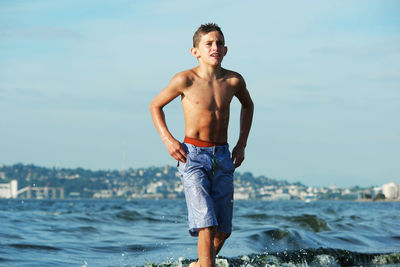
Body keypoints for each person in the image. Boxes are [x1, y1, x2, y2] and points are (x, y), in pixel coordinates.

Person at [149, 23, 254, 267]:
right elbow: (155, 106)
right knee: (206, 223)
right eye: (208, 44)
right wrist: (168, 139)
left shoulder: (233, 81)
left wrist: (242, 144)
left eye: (218, 43)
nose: (214, 47)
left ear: (225, 49)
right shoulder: (184, 79)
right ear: (195, 51)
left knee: (223, 230)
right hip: (193, 156)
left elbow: (248, 105)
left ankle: (199, 264)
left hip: (223, 155)